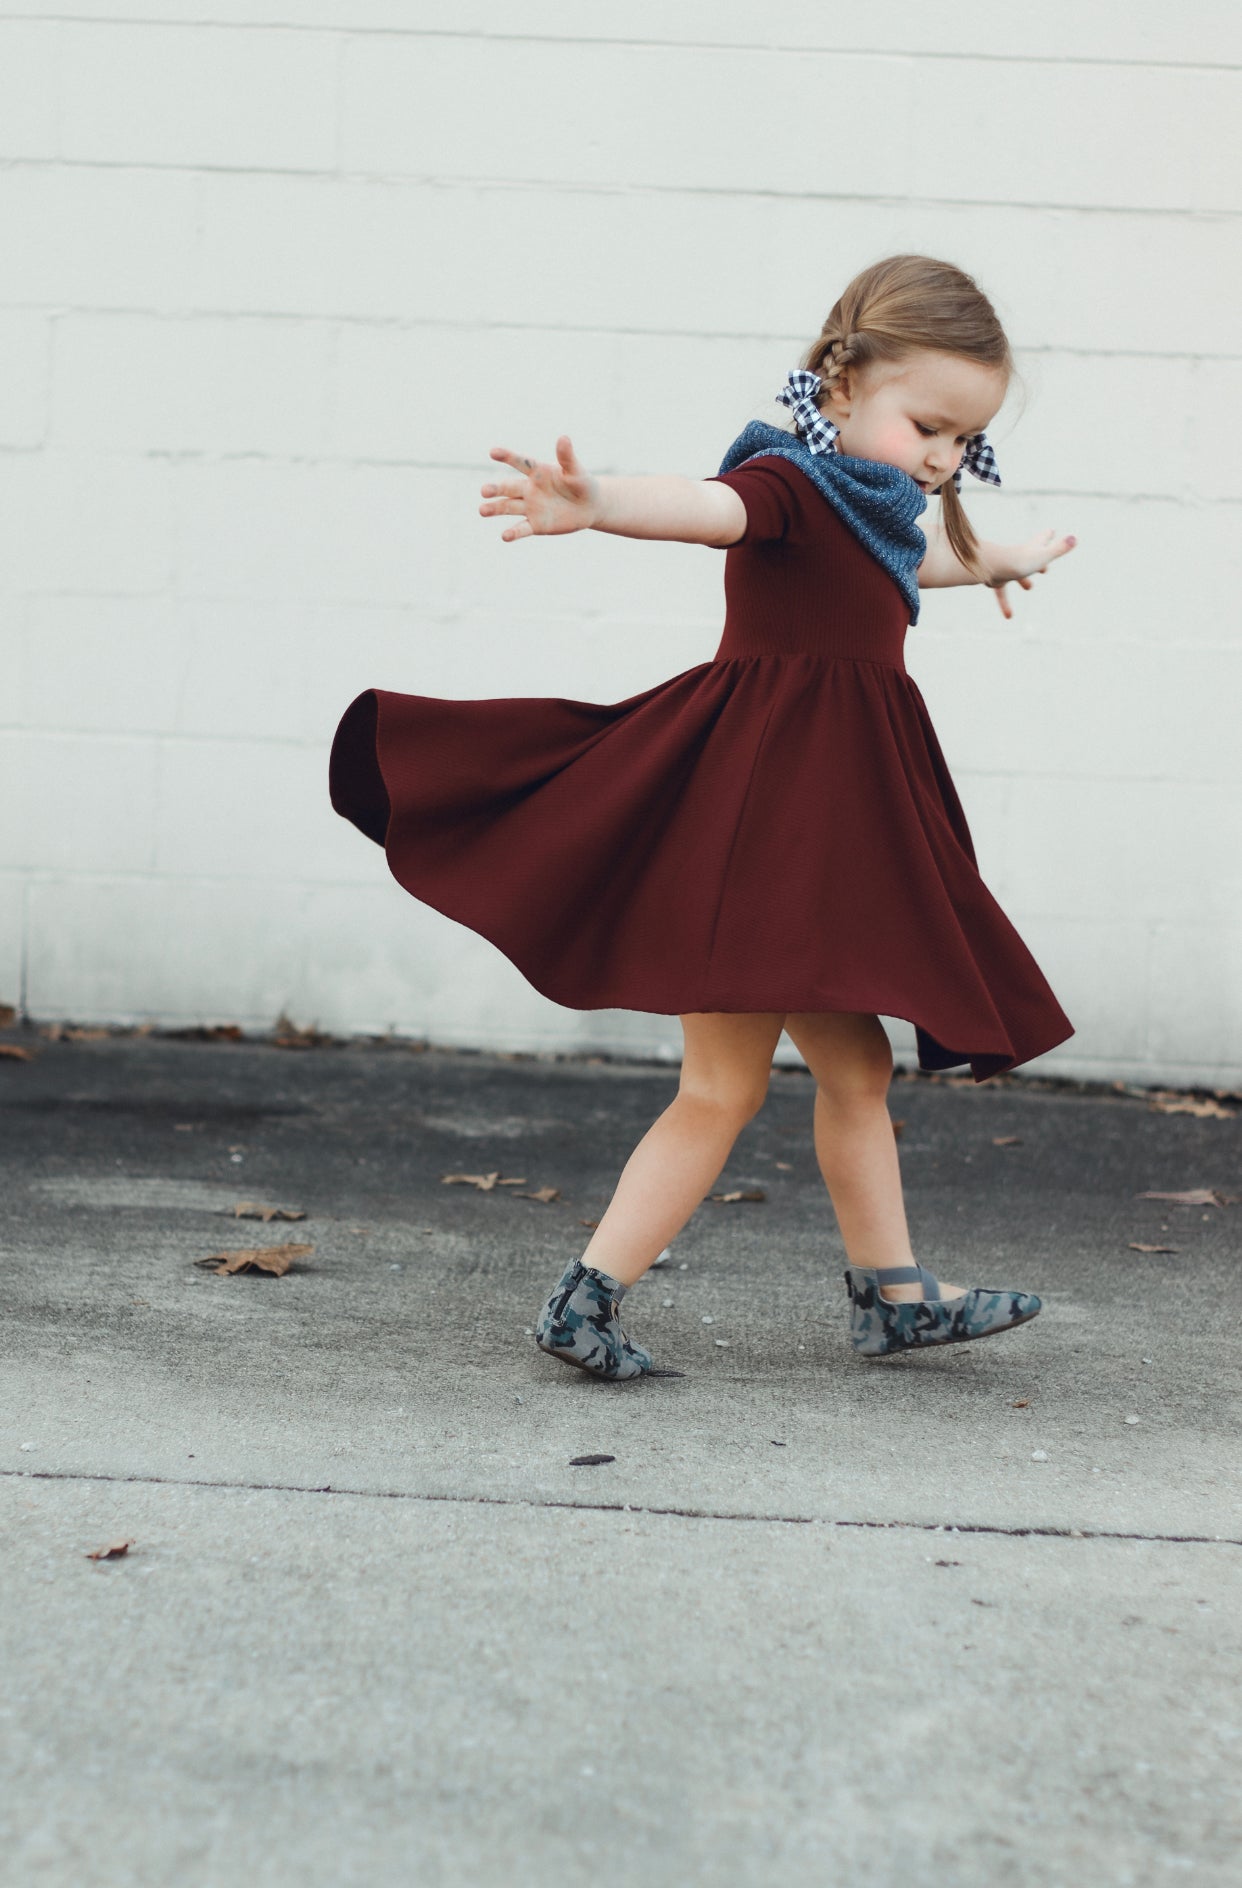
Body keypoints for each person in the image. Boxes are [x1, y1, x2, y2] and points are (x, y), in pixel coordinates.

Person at [329, 253, 1077, 1379]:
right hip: (764, 835)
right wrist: (597, 505)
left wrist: (1001, 556)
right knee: (722, 1085)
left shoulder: (868, 509)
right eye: (927, 423)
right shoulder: (785, 481)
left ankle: (895, 1295)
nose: (941, 456)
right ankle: (589, 1301)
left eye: (961, 443)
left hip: (810, 836)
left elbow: (906, 560)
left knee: (857, 1068)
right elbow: (708, 508)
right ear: (839, 386)